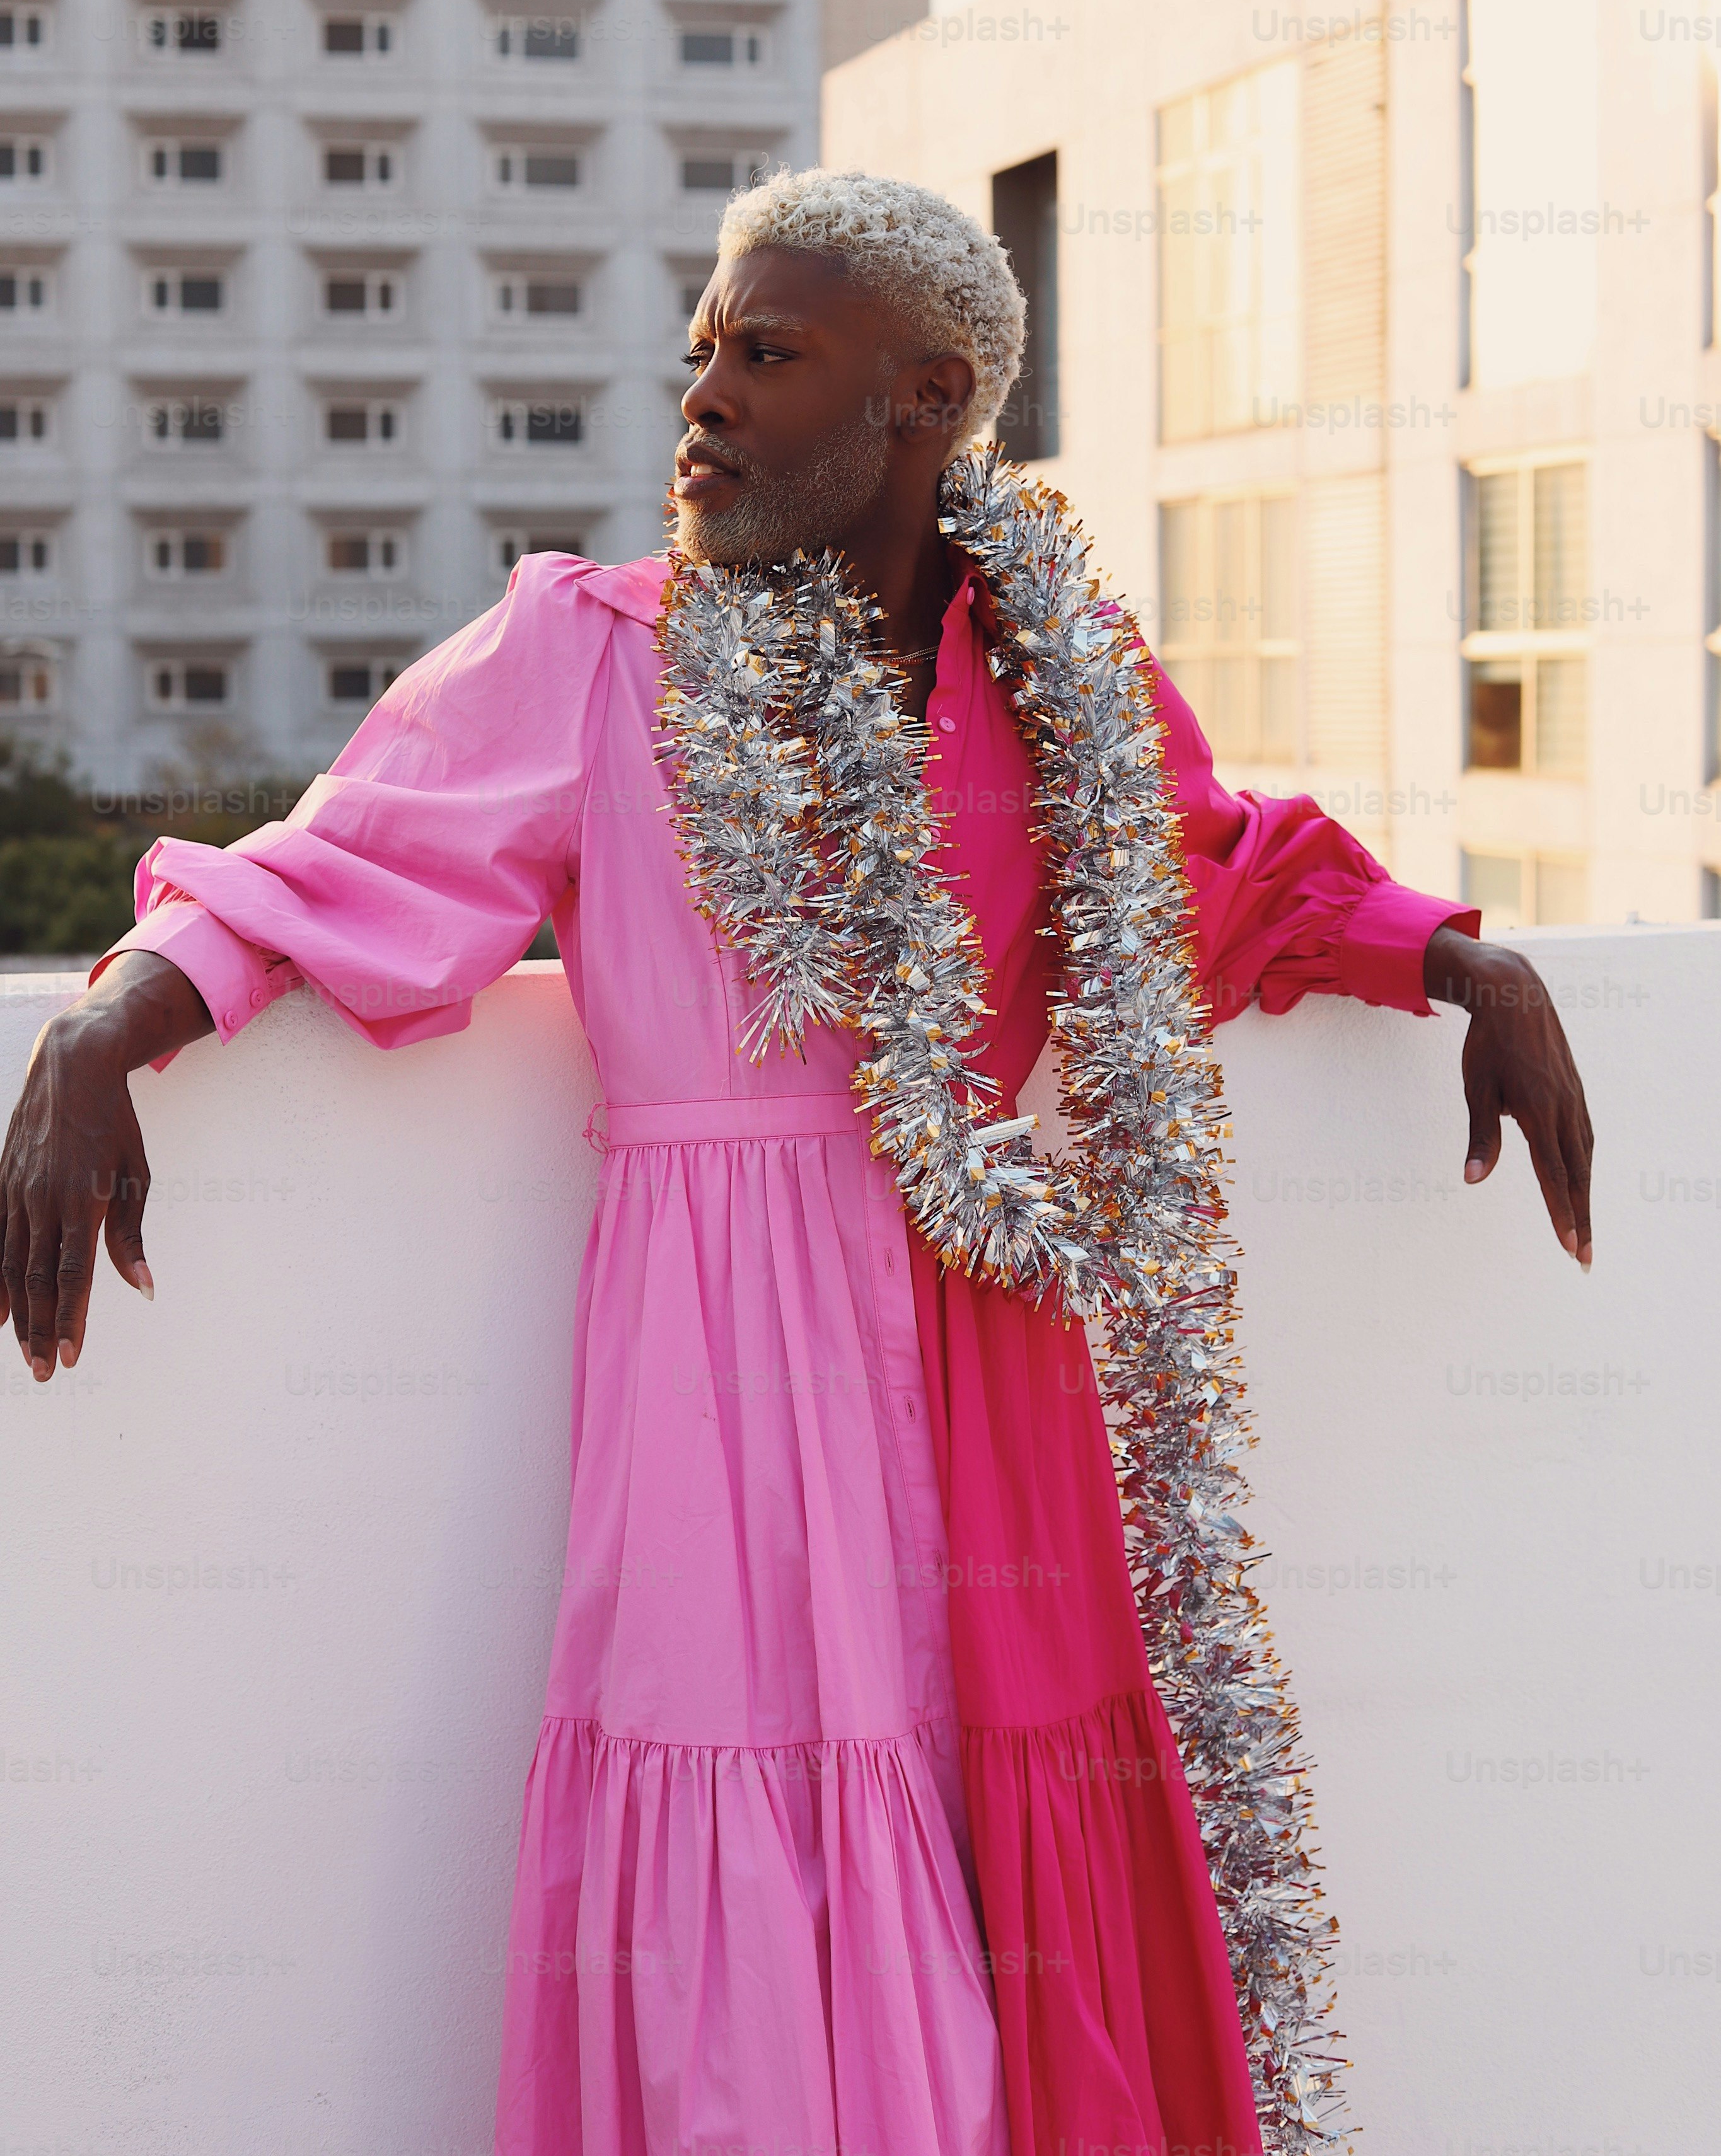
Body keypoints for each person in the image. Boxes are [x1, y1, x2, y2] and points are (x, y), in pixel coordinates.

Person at [2, 171, 1593, 2156]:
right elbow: (344, 860)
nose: (704, 400)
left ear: (926, 395)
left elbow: (1203, 869)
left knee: (990, 1805)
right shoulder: (594, 653)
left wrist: (1459, 957)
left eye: (767, 355)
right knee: (737, 1780)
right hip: (716, 1341)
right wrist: (106, 1021)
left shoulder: (1058, 682)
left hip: (983, 1317)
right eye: (703, 355)